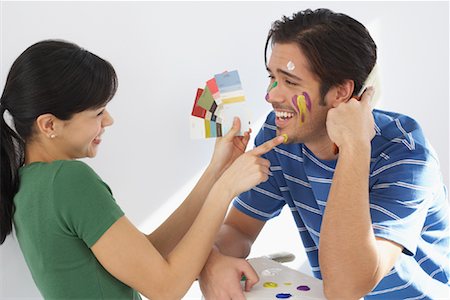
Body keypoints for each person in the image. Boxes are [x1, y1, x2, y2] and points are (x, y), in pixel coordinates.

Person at [0, 40, 285, 299]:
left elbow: (147, 257)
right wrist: (225, 190)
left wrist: (215, 172)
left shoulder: (31, 184)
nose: (109, 120)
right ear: (49, 125)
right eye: (98, 113)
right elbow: (166, 288)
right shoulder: (68, 180)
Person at [198, 8, 450, 300]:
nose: (271, 95)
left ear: (341, 92)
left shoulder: (404, 154)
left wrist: (354, 148)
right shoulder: (279, 136)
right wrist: (214, 261)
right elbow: (238, 230)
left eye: (290, 82)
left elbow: (347, 287)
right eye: (272, 78)